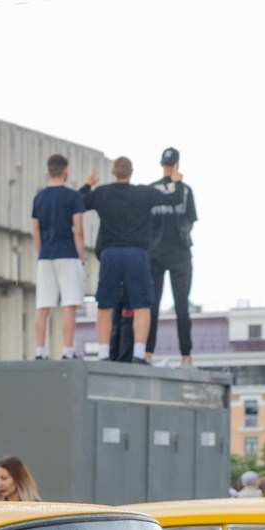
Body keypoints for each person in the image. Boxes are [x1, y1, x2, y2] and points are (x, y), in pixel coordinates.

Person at [83, 157, 157, 362]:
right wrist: (175, 180)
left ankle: (104, 353)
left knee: (104, 304)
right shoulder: (143, 193)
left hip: (111, 253)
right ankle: (140, 353)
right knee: (142, 304)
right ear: (131, 172)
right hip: (137, 253)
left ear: (113, 172)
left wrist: (88, 184)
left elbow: (79, 202)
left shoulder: (102, 193)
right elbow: (171, 198)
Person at [28, 154, 86, 360]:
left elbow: (35, 231)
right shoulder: (73, 197)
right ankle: (67, 351)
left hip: (46, 255)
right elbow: (78, 229)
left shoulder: (39, 197)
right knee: (69, 304)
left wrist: (41, 251)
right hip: (67, 253)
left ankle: (39, 351)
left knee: (43, 306)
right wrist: (81, 257)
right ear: (65, 171)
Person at [145, 148, 198, 366]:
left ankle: (147, 353)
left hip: (155, 253)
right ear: (177, 164)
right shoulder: (185, 190)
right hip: (180, 254)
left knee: (152, 306)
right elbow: (191, 222)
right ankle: (186, 356)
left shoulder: (150, 190)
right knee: (182, 307)